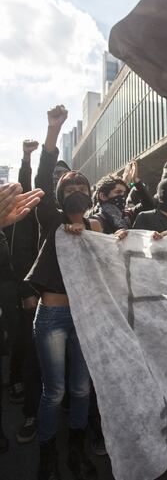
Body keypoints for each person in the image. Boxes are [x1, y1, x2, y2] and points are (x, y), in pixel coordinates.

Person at [27, 105, 103, 480]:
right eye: (69, 187)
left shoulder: (97, 225)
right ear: (59, 195)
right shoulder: (50, 219)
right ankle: (47, 455)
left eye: (81, 187)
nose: (76, 190)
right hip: (53, 317)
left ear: (89, 195)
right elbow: (42, 176)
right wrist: (53, 131)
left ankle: (76, 450)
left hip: (86, 318)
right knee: (54, 390)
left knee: (81, 389)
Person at [3, 140, 43, 444]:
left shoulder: (52, 214)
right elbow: (29, 183)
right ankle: (17, 380)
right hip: (19, 287)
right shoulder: (16, 221)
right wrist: (27, 158)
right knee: (22, 340)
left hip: (45, 291)